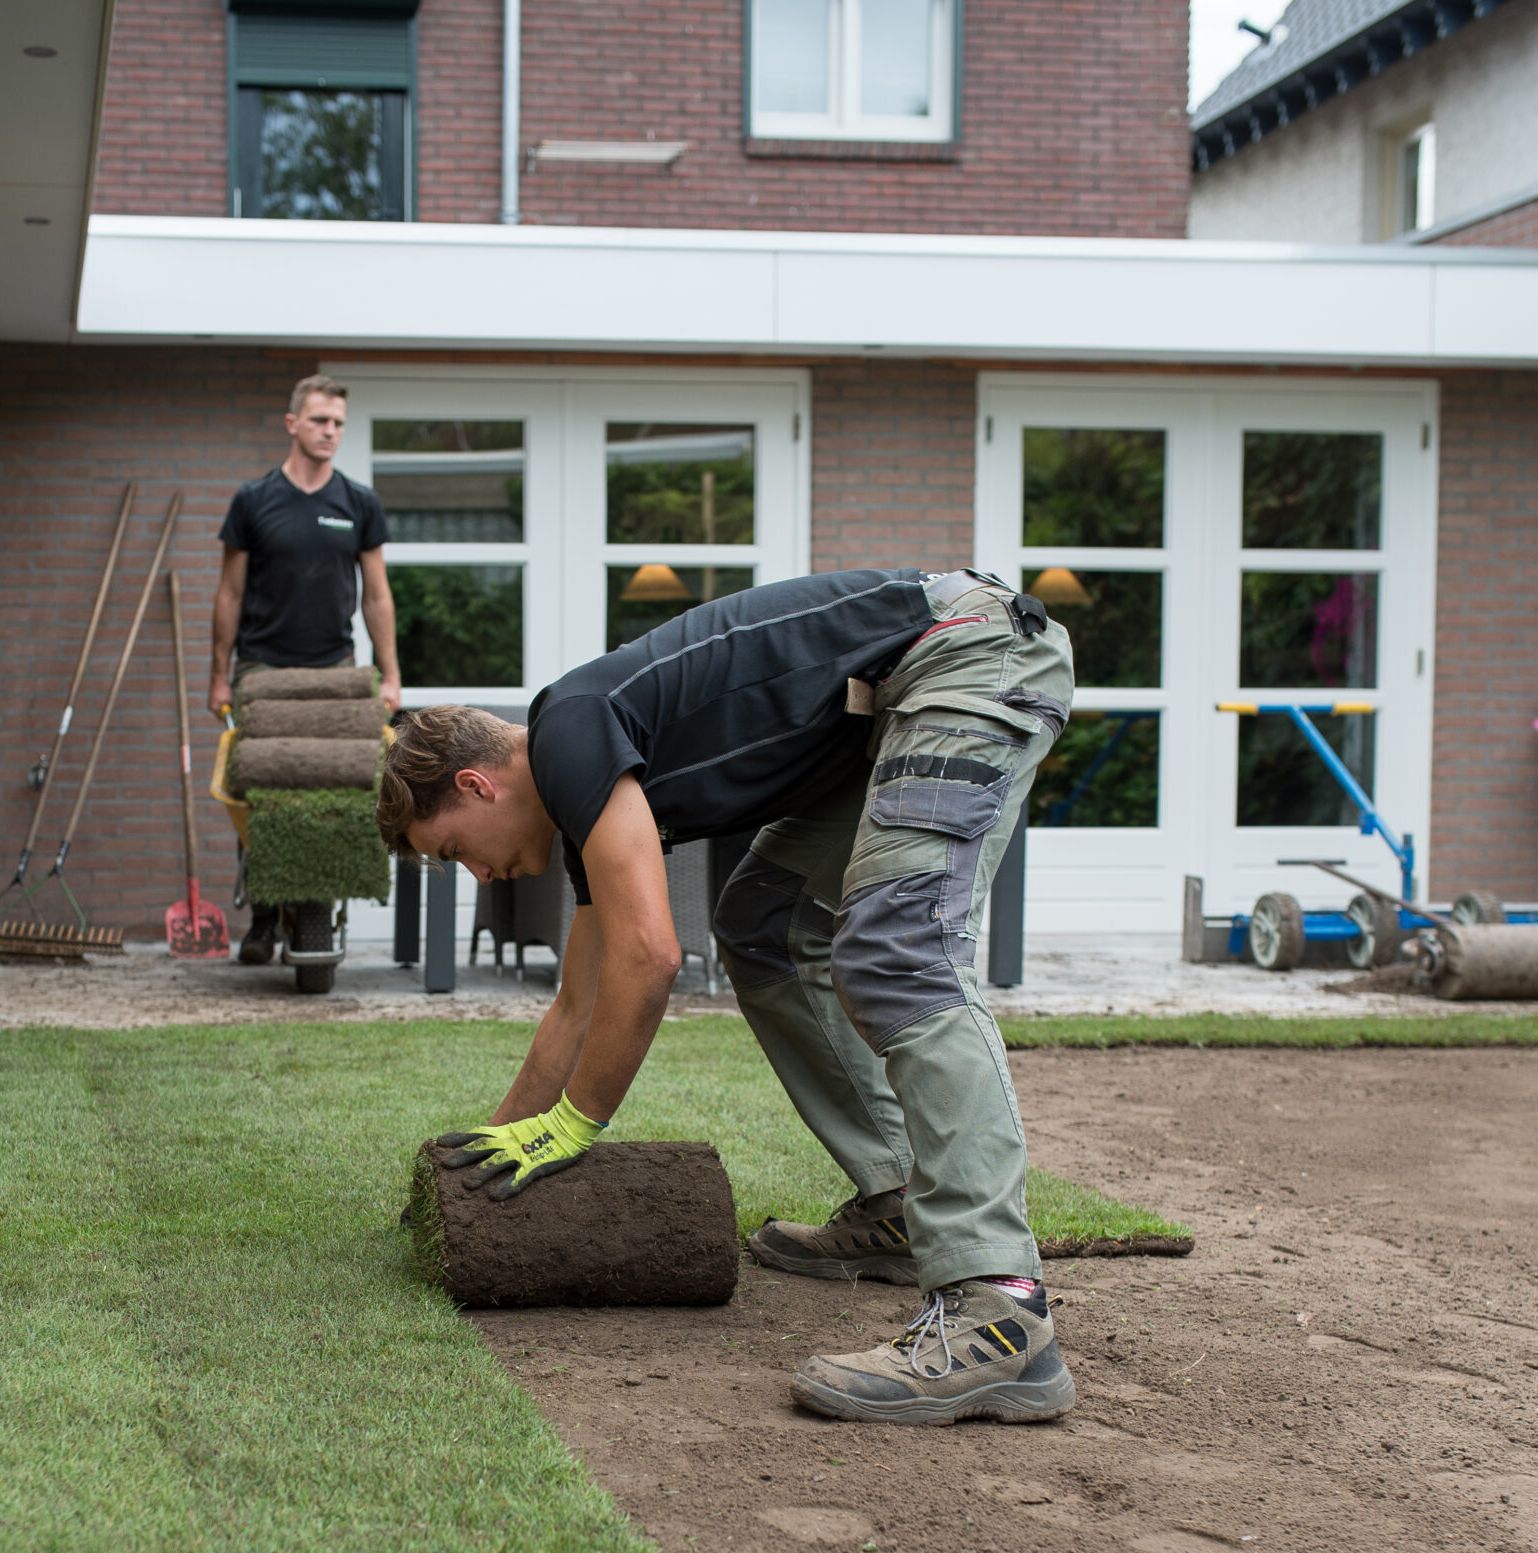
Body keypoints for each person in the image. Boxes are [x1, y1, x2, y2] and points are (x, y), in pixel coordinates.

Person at [375, 567, 1076, 1426]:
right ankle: (900, 1204)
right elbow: (576, 1004)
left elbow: (650, 956)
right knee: (764, 925)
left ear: (476, 787)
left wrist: (577, 1123)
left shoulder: (571, 732)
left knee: (900, 949)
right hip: (886, 708)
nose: (478, 874)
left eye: (455, 852)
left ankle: (999, 1308)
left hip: (961, 655)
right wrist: (482, 1162)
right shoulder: (581, 788)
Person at [210, 374, 402, 965]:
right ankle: (264, 916)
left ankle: (316, 905)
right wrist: (219, 674)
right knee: (262, 792)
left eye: (339, 423)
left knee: (334, 790)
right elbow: (229, 593)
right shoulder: (253, 500)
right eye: (320, 420)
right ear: (292, 423)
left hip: (335, 672)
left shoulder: (358, 503)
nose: (331, 432)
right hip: (263, 669)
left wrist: (389, 675)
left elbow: (377, 596)